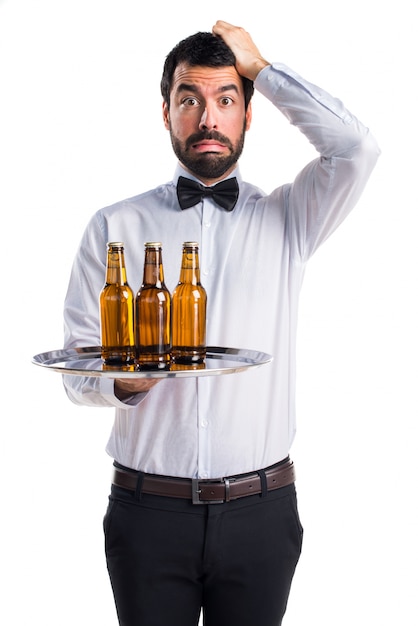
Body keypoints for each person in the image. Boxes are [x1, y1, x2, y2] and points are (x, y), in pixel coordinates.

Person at [63, 20, 380, 626]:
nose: (208, 117)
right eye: (190, 100)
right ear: (166, 114)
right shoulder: (113, 227)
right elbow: (76, 369)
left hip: (262, 514)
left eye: (226, 100)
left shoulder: (291, 217)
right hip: (147, 513)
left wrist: (261, 69)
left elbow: (357, 149)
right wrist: (124, 383)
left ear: (248, 115)